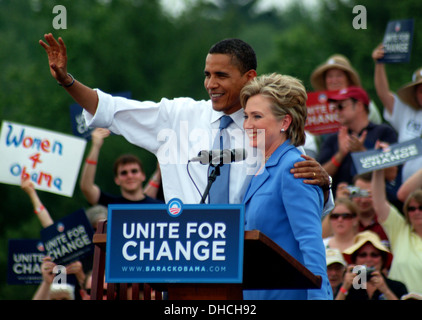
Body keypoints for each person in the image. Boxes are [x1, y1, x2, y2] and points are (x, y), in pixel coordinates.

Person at [40, 34, 333, 209]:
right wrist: (67, 81)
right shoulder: (177, 115)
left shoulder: (268, 127)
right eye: (207, 74)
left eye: (221, 76)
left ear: (249, 78)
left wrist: (324, 184)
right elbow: (110, 109)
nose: (211, 84)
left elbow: (305, 194)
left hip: (250, 263)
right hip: (186, 262)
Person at [240, 73, 332, 300]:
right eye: (246, 116)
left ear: (285, 122)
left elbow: (310, 243)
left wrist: (319, 298)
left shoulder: (295, 168)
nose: (248, 124)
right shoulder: (263, 167)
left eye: (257, 116)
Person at [318, 86, 398, 194]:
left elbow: (392, 174)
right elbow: (318, 178)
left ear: (359, 106)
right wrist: (340, 155)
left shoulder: (384, 132)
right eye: (335, 108)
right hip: (342, 203)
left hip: (375, 200)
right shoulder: (333, 139)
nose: (337, 111)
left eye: (341, 106)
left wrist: (362, 152)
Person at [371, 152, 422, 295]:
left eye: (421, 207)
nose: (416, 212)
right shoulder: (401, 229)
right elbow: (379, 202)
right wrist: (378, 167)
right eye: (411, 208)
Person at [372, 44, 422, 183]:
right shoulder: (407, 112)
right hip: (409, 192)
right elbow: (383, 93)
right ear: (415, 94)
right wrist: (379, 63)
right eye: (421, 90)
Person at [79, 127, 163, 206]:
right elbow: (87, 187)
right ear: (116, 180)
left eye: (134, 171)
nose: (129, 176)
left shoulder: (159, 207)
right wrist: (95, 146)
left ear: (143, 176)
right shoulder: (111, 205)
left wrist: (159, 171)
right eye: (123, 173)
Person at [310, 54, 382, 125]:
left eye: (339, 75)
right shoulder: (317, 108)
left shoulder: (361, 102)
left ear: (348, 79)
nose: (334, 80)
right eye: (330, 76)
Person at [322, 173, 389, 246]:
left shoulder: (387, 219)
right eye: (358, 194)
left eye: (368, 194)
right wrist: (339, 204)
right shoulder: (342, 217)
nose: (363, 200)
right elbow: (322, 237)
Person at [337, 231, 408, 300]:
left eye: (374, 255)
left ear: (383, 260)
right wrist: (344, 288)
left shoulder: (397, 287)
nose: (368, 259)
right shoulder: (347, 287)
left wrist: (386, 291)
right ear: (355, 260)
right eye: (363, 255)